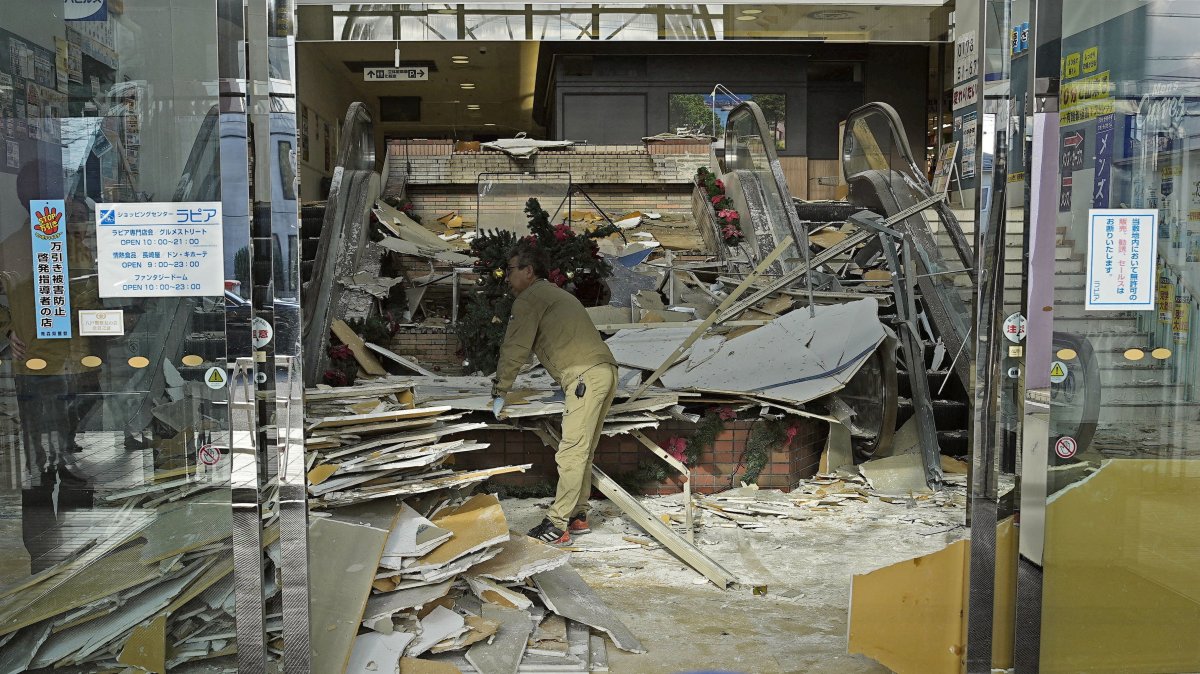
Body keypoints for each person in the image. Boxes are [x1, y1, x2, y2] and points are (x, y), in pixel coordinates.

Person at [491, 239, 618, 546]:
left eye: (510, 270)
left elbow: (515, 348)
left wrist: (500, 390)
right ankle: (577, 515)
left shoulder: (530, 298)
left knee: (571, 451)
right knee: (582, 450)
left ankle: (557, 523)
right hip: (605, 372)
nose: (506, 277)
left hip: (584, 377)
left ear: (528, 271)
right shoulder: (555, 294)